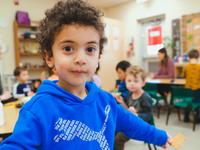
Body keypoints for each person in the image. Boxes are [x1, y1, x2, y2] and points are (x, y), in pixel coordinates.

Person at [0, 1, 171, 149]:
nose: (81, 59)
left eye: (90, 49)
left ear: (98, 57)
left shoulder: (106, 101)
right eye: (68, 48)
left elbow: (133, 124)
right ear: (49, 57)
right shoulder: (37, 110)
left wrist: (161, 137)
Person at [115, 66, 155, 150]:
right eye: (129, 81)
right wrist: (121, 101)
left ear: (143, 83)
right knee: (113, 129)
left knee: (118, 138)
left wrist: (137, 115)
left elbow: (149, 115)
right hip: (131, 122)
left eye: (136, 81)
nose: (132, 83)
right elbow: (127, 109)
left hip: (141, 125)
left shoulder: (145, 97)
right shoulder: (130, 94)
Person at [184, 49, 200, 123]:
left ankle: (186, 118)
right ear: (198, 57)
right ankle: (197, 119)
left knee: (188, 102)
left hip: (187, 90)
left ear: (189, 57)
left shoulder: (186, 67)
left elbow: (184, 75)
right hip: (197, 90)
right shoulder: (199, 67)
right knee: (197, 103)